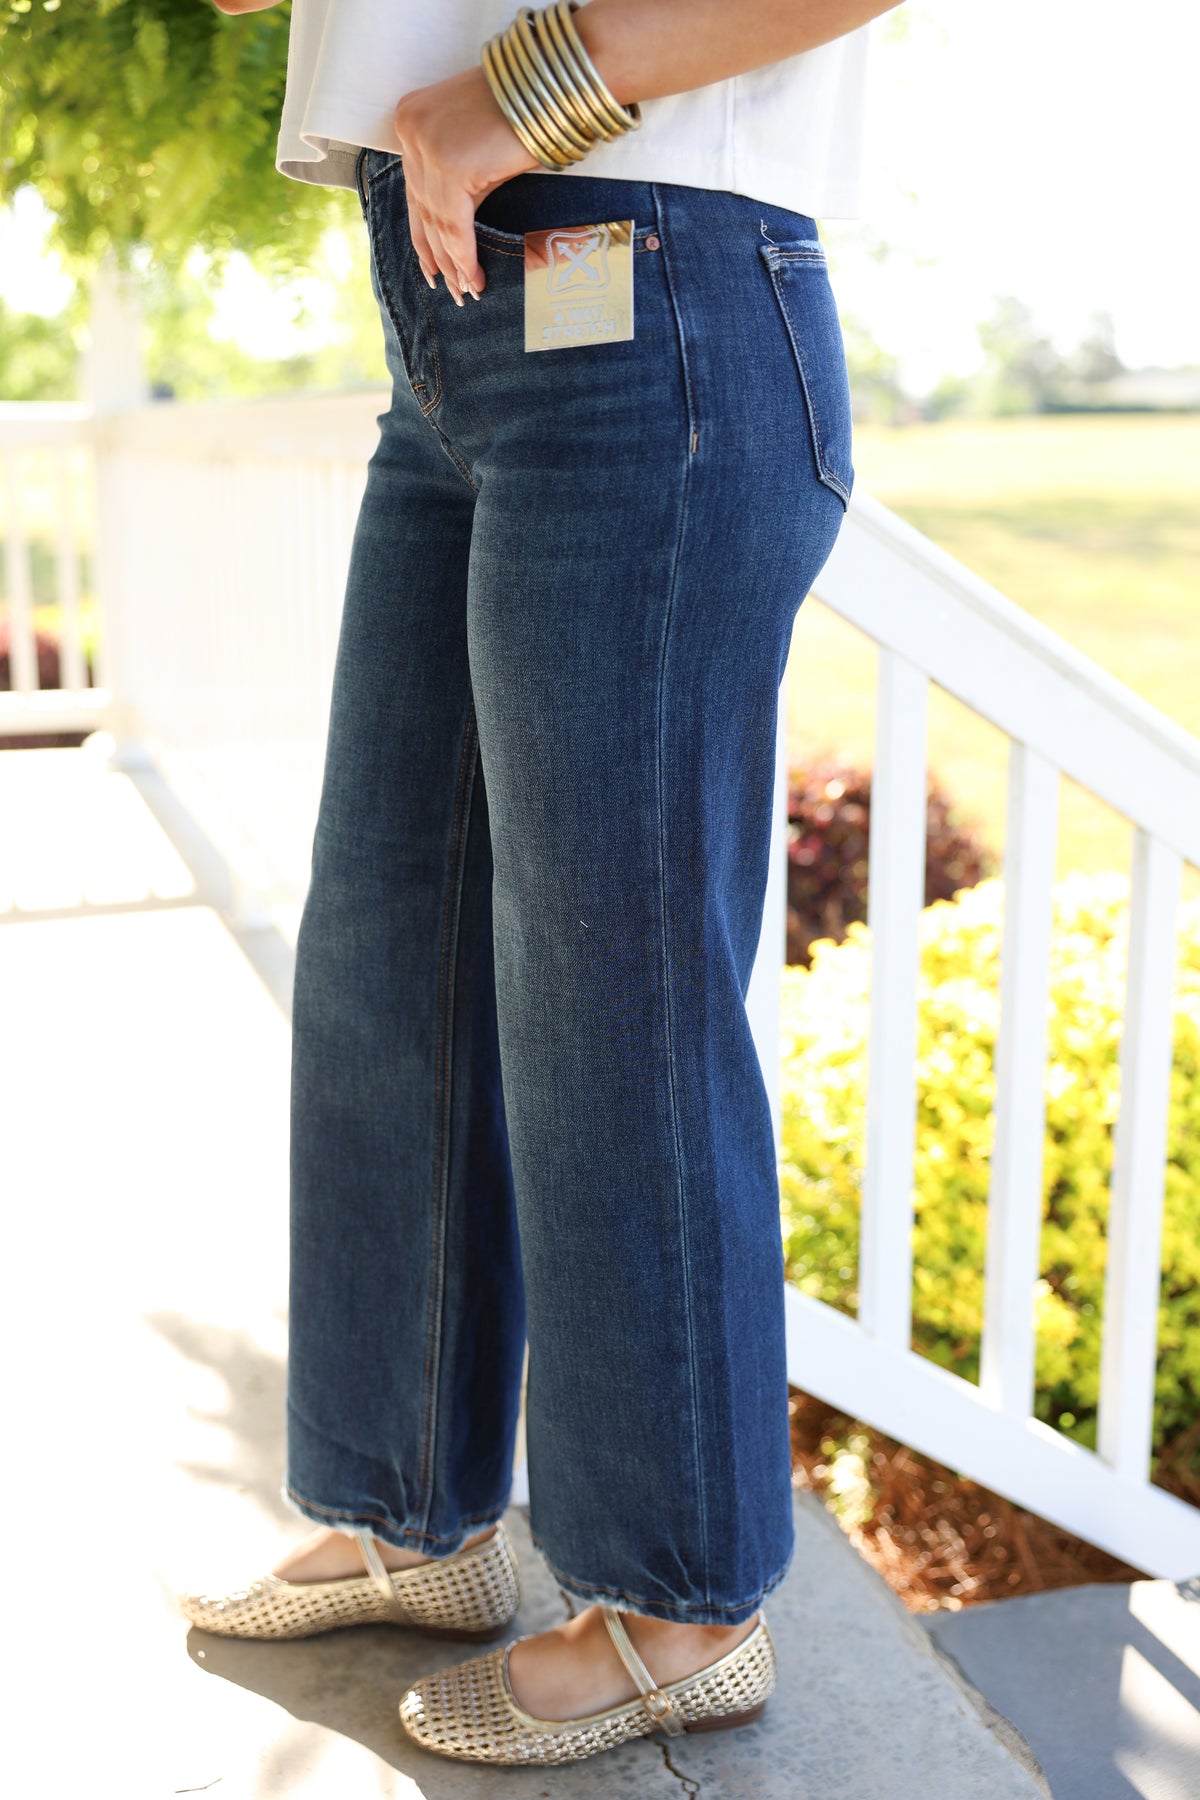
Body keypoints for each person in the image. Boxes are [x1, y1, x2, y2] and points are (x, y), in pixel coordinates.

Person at [184, 0, 899, 1768]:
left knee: (612, 996)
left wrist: (517, 96)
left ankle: (684, 1599)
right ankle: (410, 1507)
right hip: (451, 323)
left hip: (649, 289)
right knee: (391, 956)